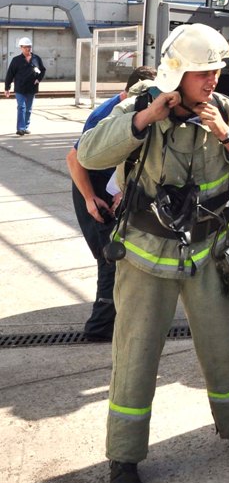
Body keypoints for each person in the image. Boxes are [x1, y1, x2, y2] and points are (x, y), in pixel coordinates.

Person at [77, 23, 229, 483]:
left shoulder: (223, 112)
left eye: (216, 71)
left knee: (225, 346)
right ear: (177, 73)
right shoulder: (141, 108)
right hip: (146, 260)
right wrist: (145, 117)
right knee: (135, 355)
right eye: (202, 73)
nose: (212, 80)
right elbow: (88, 153)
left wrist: (228, 136)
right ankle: (124, 456)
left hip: (208, 256)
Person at [66, 65, 156, 342]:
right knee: (110, 258)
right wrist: (90, 199)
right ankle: (99, 329)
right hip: (91, 190)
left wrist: (125, 191)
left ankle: (129, 314)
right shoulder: (106, 115)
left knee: (131, 256)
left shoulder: (146, 110)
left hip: (116, 189)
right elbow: (74, 159)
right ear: (125, 94)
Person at [4, 36, 45, 135]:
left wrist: (38, 79)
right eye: (25, 47)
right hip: (20, 88)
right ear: (21, 48)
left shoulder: (36, 59)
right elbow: (10, 74)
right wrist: (7, 88)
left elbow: (42, 70)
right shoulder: (16, 60)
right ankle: (20, 128)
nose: (28, 49)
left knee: (28, 109)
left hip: (32, 88)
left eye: (29, 47)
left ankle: (26, 127)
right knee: (21, 107)